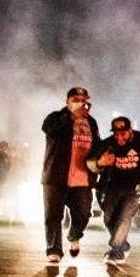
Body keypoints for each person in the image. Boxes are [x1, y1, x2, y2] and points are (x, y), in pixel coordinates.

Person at [87, 116, 140, 263]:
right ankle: (123, 245)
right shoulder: (109, 144)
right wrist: (100, 162)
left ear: (130, 131)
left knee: (124, 216)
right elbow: (91, 161)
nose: (119, 138)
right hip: (112, 187)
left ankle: (115, 251)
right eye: (116, 134)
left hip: (136, 188)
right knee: (108, 218)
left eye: (123, 134)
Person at [41, 87, 99, 264]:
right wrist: (71, 116)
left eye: (83, 99)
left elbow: (97, 145)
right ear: (67, 101)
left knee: (83, 214)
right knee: (53, 216)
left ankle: (74, 235)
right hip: (56, 176)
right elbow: (48, 129)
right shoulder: (56, 117)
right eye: (76, 99)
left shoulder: (91, 122)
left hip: (82, 178)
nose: (80, 103)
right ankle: (54, 249)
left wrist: (101, 159)